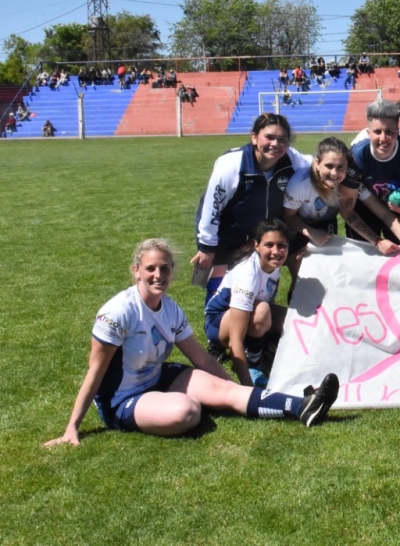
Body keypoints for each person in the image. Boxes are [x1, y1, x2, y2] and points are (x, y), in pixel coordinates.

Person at [43, 239, 341, 447]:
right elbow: (94, 372)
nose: (158, 275)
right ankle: (178, 405)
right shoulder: (118, 312)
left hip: (159, 377)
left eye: (165, 268)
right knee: (187, 411)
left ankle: (303, 405)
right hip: (122, 400)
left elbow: (201, 358)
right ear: (136, 271)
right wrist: (73, 427)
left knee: (226, 390)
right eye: (150, 269)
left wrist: (235, 387)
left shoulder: (170, 308)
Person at [192, 113, 311, 305]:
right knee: (220, 296)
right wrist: (207, 246)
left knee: (260, 294)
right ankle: (216, 332)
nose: (276, 144)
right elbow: (212, 208)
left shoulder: (291, 159)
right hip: (227, 238)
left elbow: (316, 167)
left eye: (282, 140)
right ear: (254, 137)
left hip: (264, 240)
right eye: (269, 137)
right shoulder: (231, 164)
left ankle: (258, 332)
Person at [283, 137, 400, 262]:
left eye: (341, 167)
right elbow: (289, 217)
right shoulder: (300, 183)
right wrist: (310, 232)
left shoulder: (350, 182)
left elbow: (384, 214)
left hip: (327, 222)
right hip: (300, 222)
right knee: (298, 264)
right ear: (317, 163)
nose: (334, 174)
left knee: (327, 265)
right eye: (329, 166)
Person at [205, 220, 291, 387]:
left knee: (291, 318)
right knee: (262, 311)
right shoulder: (248, 275)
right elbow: (235, 340)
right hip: (218, 323)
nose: (276, 251)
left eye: (281, 245)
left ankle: (267, 352)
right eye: (269, 245)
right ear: (256, 245)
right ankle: (253, 364)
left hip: (248, 311)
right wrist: (247, 388)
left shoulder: (273, 264)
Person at [346, 99, 400, 244]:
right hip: (364, 209)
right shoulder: (357, 156)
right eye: (377, 132)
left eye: (389, 132)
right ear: (368, 132)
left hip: (398, 208)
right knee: (362, 257)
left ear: (397, 131)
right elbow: (347, 209)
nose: (383, 138)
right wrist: (376, 241)